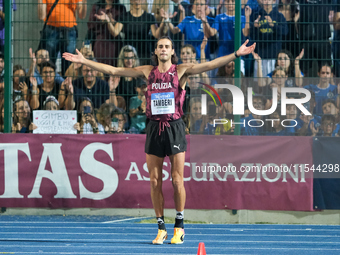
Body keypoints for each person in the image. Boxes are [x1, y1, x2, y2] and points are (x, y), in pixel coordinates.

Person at [63, 35, 255, 244]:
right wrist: (84, 62)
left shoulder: (180, 71)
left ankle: (179, 227)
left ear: (172, 51)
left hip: (174, 127)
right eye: (160, 47)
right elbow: (115, 71)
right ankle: (161, 227)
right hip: (154, 128)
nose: (163, 49)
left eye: (167, 47)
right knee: (154, 181)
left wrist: (236, 54)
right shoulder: (148, 72)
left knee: (176, 179)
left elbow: (209, 64)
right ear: (156, 51)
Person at [37, 0, 87, 75]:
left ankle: (68, 84)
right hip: (51, 29)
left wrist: (84, 2)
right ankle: (49, 84)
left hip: (69, 30)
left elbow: (82, 15)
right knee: (49, 62)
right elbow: (41, 16)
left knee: (69, 61)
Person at [87, 0, 126, 67]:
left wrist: (111, 21)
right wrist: (101, 21)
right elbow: (90, 24)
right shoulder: (97, 6)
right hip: (100, 40)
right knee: (99, 65)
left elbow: (124, 27)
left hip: (114, 42)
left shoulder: (121, 8)